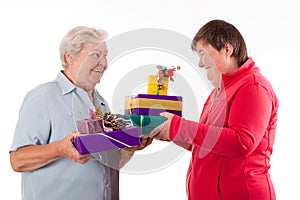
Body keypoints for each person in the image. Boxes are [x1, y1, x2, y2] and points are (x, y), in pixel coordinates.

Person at [10, 26, 152, 200]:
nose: (104, 63)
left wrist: (130, 148)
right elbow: (17, 160)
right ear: (70, 57)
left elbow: (108, 165)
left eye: (105, 55)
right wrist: (60, 149)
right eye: (96, 55)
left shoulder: (101, 104)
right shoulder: (43, 97)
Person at [151, 20, 278, 200]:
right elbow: (209, 144)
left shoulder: (253, 86)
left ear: (227, 49)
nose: (200, 64)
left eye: (203, 53)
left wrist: (179, 126)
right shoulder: (218, 92)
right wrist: (171, 132)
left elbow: (242, 142)